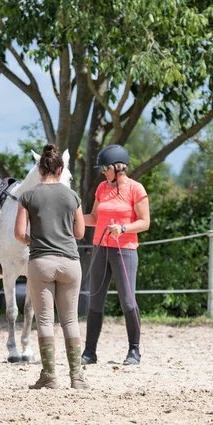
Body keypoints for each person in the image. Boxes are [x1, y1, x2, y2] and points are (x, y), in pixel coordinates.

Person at [14, 144, 87, 390]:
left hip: (41, 263)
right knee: (70, 320)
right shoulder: (72, 196)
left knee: (44, 320)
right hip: (70, 263)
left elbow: (19, 234)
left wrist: (34, 240)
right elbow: (79, 233)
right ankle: (77, 377)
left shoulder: (27, 196)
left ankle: (50, 376)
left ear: (41, 169)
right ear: (60, 169)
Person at [81, 144, 150, 366]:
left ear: (118, 167)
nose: (103, 172)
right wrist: (72, 220)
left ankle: (134, 350)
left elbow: (145, 222)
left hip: (125, 250)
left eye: (105, 168)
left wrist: (122, 228)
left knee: (128, 301)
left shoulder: (136, 189)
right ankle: (89, 352)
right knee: (95, 300)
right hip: (100, 248)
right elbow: (93, 217)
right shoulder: (102, 188)